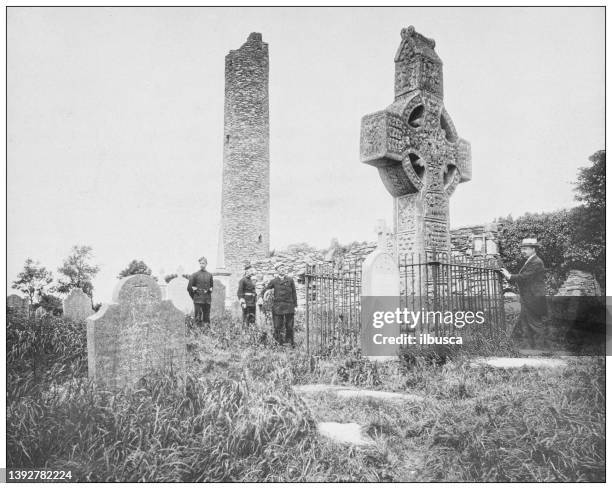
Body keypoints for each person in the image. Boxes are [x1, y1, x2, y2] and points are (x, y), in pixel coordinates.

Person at [500, 238, 547, 348]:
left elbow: (524, 277)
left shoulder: (536, 262)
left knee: (535, 324)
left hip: (533, 299)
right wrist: (509, 276)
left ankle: (543, 349)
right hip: (529, 298)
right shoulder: (531, 260)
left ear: (533, 249)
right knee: (524, 324)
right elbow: (524, 277)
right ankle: (513, 346)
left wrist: (509, 276)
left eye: (525, 249)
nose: (522, 251)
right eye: (522, 249)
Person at [263, 264, 297, 347]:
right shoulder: (274, 281)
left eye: (284, 268)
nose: (283, 270)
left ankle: (289, 343)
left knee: (289, 326)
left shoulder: (290, 280)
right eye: (280, 268)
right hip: (278, 306)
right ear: (277, 270)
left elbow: (294, 293)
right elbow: (266, 289)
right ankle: (278, 343)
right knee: (277, 326)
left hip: (289, 305)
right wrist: (262, 295)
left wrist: (295, 304)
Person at [187, 256, 213, 329]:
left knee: (207, 318)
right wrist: (194, 297)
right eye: (201, 263)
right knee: (198, 317)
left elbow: (211, 288)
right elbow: (189, 288)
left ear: (206, 264)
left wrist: (207, 294)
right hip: (198, 300)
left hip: (207, 300)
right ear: (199, 264)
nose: (202, 265)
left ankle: (207, 332)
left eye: (203, 263)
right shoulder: (195, 275)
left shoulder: (210, 275)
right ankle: (197, 333)